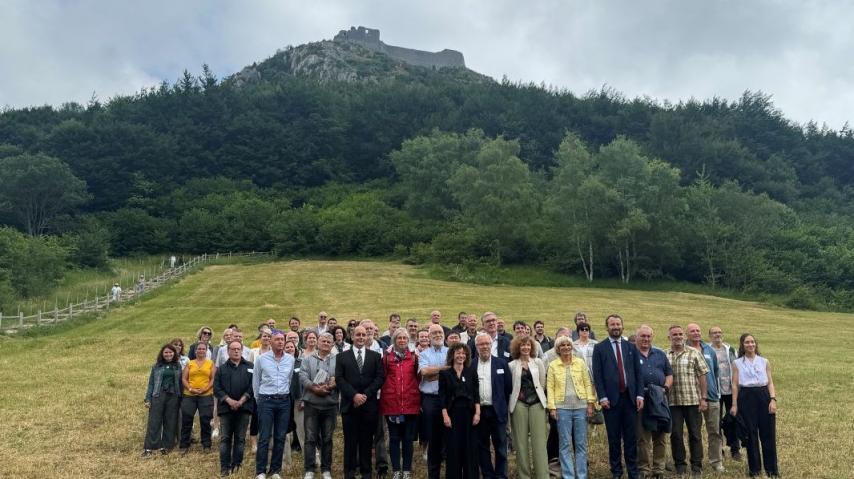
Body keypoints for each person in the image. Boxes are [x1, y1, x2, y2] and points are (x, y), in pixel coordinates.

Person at [592, 314, 644, 479]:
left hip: (630, 399)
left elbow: (638, 373)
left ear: (622, 326)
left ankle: (633, 471)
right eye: (612, 324)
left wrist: (640, 395)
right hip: (611, 401)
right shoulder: (600, 348)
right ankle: (616, 471)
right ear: (607, 327)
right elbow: (597, 375)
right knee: (613, 438)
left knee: (631, 437)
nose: (615, 327)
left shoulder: (631, 347)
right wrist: (602, 397)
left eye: (618, 324)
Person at [336, 325, 385, 479]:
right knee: (350, 442)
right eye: (358, 335)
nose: (361, 337)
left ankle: (366, 473)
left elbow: (380, 378)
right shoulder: (342, 357)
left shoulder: (375, 357)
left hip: (369, 406)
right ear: (352, 336)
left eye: (364, 334)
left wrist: (364, 395)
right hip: (349, 406)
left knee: (366, 442)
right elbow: (339, 379)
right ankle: (349, 473)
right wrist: (354, 395)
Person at [547, 336, 596, 479]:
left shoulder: (580, 363)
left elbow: (588, 383)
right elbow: (549, 387)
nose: (566, 347)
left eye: (568, 345)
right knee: (565, 444)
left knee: (581, 443)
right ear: (558, 348)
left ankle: (581, 475)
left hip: (581, 407)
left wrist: (590, 403)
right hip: (562, 409)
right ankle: (568, 475)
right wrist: (552, 407)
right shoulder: (553, 365)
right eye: (562, 345)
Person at [730, 333, 779, 478]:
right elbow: (734, 385)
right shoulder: (737, 363)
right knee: (750, 434)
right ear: (742, 345)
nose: (750, 345)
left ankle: (772, 470)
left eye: (752, 342)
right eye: (747, 342)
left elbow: (770, 382)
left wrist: (773, 399)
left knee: (768, 434)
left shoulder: (764, 361)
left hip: (763, 396)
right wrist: (734, 404)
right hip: (746, 397)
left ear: (755, 344)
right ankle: (755, 469)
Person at [665, 325, 709, 478]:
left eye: (680, 334)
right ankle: (680, 465)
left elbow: (703, 376)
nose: (677, 336)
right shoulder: (664, 355)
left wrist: (704, 398)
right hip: (672, 402)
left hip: (693, 401)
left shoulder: (694, 353)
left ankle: (696, 466)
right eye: (674, 334)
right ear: (669, 337)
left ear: (684, 336)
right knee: (675, 434)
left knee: (695, 434)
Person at [253, 330, 296, 479]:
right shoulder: (261, 359)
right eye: (277, 339)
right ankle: (260, 471)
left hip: (284, 401)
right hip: (266, 400)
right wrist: (259, 399)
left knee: (280, 436)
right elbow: (256, 381)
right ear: (270, 342)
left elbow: (289, 380)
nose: (280, 342)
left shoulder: (290, 359)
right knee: (264, 436)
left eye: (282, 340)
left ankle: (275, 470)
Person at [380, 329, 421, 479]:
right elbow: (382, 377)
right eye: (399, 338)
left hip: (411, 403)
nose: (402, 340)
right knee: (395, 438)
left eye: (405, 338)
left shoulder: (414, 357)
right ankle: (396, 470)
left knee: (408, 438)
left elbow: (419, 377)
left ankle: (407, 470)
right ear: (394, 340)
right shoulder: (386, 358)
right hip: (392, 404)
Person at [635, 325, 673, 479]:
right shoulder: (631, 354)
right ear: (637, 337)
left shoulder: (660, 354)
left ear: (652, 337)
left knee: (660, 434)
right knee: (642, 436)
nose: (646, 339)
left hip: (659, 397)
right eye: (643, 336)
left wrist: (665, 388)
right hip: (641, 399)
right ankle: (644, 468)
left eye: (648, 336)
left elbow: (669, 374)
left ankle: (658, 469)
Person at [473, 332, 512, 479]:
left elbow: (508, 387)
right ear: (476, 347)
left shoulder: (501, 363)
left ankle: (501, 475)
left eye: (487, 344)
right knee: (482, 446)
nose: (484, 346)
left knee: (501, 447)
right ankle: (488, 475)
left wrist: (503, 406)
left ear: (491, 345)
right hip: (479, 412)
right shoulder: (471, 365)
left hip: (497, 412)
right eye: (481, 344)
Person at [508, 336, 549, 479]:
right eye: (522, 345)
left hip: (537, 404)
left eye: (528, 345)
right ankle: (524, 475)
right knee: (520, 443)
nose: (525, 348)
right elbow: (511, 387)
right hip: (519, 405)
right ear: (517, 348)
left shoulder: (538, 362)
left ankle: (543, 475)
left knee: (540, 443)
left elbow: (542, 384)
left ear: (532, 347)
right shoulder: (512, 365)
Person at [300, 332, 339, 479]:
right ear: (318, 342)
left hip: (330, 405)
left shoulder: (338, 360)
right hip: (312, 404)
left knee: (328, 438)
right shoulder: (307, 359)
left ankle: (326, 469)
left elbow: (340, 377)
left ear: (332, 345)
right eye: (323, 341)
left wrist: (329, 387)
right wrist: (314, 388)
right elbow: (302, 376)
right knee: (310, 438)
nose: (326, 343)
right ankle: (309, 469)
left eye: (329, 342)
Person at [439, 343, 481, 479]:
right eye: (458, 353)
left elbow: (476, 394)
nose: (461, 356)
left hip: (469, 415)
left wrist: (477, 413)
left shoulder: (471, 372)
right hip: (452, 416)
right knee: (453, 450)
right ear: (452, 355)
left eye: (463, 353)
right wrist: (445, 416)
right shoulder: (445, 373)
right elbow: (442, 396)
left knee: (470, 450)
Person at [686, 323, 723, 473]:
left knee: (714, 431)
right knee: (694, 432)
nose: (696, 333)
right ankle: (696, 463)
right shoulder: (684, 349)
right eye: (692, 331)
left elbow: (715, 371)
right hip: (692, 398)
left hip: (712, 397)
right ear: (687, 334)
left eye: (698, 330)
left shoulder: (709, 350)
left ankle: (716, 461)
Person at [214, 339, 255, 477]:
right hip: (226, 409)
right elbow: (217, 388)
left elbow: (253, 386)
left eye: (238, 349)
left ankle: (237, 465)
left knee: (240, 439)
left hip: (244, 408)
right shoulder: (221, 369)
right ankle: (224, 468)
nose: (236, 351)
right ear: (228, 351)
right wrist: (229, 400)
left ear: (242, 350)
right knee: (225, 439)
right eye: (233, 349)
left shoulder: (250, 366)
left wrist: (242, 400)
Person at [419, 324, 449, 479]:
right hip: (430, 400)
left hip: (449, 399)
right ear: (429, 337)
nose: (438, 335)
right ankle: (434, 474)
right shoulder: (424, 354)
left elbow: (455, 371)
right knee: (433, 437)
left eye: (440, 332)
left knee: (449, 436)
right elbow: (424, 372)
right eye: (434, 333)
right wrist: (445, 370)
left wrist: (435, 371)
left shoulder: (450, 351)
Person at [143, 344, 182, 456]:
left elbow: (180, 382)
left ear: (174, 354)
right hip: (158, 394)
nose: (168, 354)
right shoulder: (157, 366)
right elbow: (151, 383)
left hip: (173, 396)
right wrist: (147, 398)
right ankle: (149, 448)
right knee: (154, 421)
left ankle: (166, 446)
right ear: (162, 353)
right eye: (166, 352)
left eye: (170, 352)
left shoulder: (177, 366)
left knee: (170, 421)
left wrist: (181, 398)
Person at [708, 325, 741, 460]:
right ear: (710, 336)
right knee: (715, 422)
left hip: (730, 390)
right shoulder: (707, 351)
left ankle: (735, 449)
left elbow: (737, 368)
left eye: (719, 332)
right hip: (715, 391)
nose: (717, 335)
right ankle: (718, 449)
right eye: (714, 333)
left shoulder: (730, 350)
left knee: (733, 419)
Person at [180, 342, 216, 454]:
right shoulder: (190, 363)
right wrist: (190, 389)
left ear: (206, 351)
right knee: (187, 419)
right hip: (189, 395)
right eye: (199, 349)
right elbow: (184, 379)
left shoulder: (210, 363)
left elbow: (213, 379)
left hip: (205, 395)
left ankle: (206, 444)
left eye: (203, 349)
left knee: (205, 420)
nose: (201, 350)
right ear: (195, 351)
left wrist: (205, 389)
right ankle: (184, 444)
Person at [248, 327, 273, 454]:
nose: (267, 338)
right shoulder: (254, 352)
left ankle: (267, 440)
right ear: (260, 338)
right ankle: (253, 442)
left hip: (270, 388)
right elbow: (250, 370)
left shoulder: (274, 352)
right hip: (256, 387)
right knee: (256, 416)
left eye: (269, 336)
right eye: (264, 336)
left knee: (268, 416)